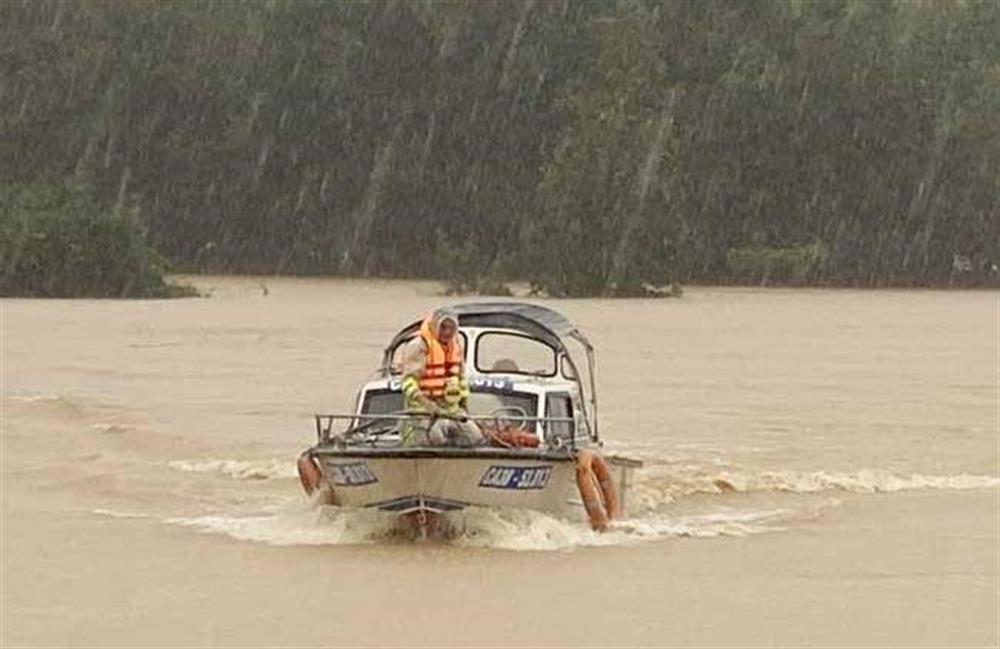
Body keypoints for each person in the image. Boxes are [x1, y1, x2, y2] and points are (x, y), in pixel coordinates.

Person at [399, 308, 484, 447]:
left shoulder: (456, 347)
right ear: (434, 326)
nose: (447, 332)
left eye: (451, 328)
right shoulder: (418, 347)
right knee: (435, 438)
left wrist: (464, 405)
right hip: (424, 412)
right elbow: (407, 381)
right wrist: (426, 403)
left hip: (452, 411)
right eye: (443, 327)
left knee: (475, 438)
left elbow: (461, 379)